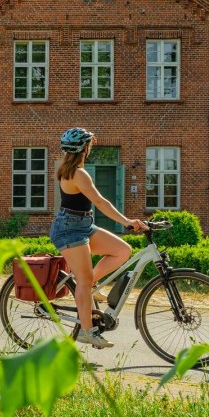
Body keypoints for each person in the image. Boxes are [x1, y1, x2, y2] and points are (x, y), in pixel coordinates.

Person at [50, 127, 144, 349]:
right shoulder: (78, 173)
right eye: (89, 144)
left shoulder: (71, 169)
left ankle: (91, 282)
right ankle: (86, 331)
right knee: (82, 280)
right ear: (84, 148)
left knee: (123, 251)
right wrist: (127, 221)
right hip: (69, 229)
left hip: (83, 224)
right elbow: (101, 202)